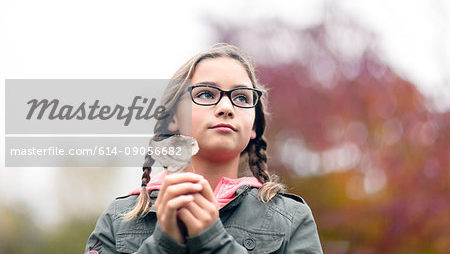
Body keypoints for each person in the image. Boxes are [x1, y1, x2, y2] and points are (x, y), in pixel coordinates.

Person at [85, 43, 323, 253]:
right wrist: (165, 244)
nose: (226, 106)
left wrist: (214, 241)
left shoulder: (292, 218)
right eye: (207, 94)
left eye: (242, 98)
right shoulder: (118, 219)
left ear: (254, 126)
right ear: (174, 118)